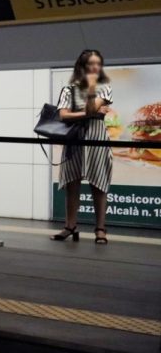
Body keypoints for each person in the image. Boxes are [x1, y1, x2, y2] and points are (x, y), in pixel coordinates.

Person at [51, 48, 116, 245]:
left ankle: (100, 229)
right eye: (91, 63)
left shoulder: (104, 88)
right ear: (82, 66)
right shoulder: (68, 89)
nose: (96, 67)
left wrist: (90, 92)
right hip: (74, 140)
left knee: (99, 185)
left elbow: (87, 108)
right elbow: (62, 115)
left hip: (97, 140)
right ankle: (70, 226)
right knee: (72, 184)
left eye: (98, 63)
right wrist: (93, 113)